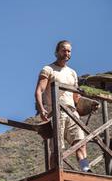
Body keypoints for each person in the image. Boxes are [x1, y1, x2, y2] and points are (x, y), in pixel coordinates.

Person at [35, 40, 91, 172]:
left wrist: (89, 105)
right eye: (64, 50)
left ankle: (86, 169)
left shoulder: (72, 73)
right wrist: (41, 109)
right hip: (56, 112)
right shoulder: (48, 69)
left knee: (81, 143)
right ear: (57, 52)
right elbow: (39, 91)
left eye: (69, 51)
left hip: (72, 112)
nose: (67, 53)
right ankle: (55, 172)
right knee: (57, 147)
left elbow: (75, 97)